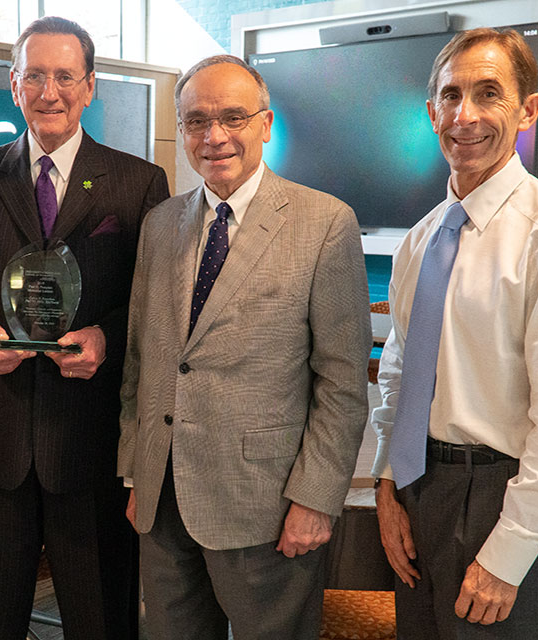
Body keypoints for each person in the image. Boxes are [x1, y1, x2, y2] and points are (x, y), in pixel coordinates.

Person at [371, 28, 538, 639]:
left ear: (528, 110)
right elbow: (401, 368)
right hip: (419, 491)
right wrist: (387, 485)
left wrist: (510, 552)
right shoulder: (421, 237)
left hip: (504, 501)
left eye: (489, 94)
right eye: (451, 96)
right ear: (432, 112)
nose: (466, 116)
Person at [118, 54, 371, 639]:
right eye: (196, 121)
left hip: (269, 506)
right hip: (163, 503)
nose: (215, 136)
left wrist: (316, 497)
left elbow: (340, 381)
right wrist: (135, 472)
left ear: (265, 123)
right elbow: (143, 357)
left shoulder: (325, 223)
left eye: (233, 117)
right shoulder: (160, 224)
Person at [0, 16, 170, 640]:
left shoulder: (139, 182)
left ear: (90, 87)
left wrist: (105, 339)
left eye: (65, 76)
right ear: (14, 86)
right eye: (35, 76)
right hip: (0, 442)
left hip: (92, 445)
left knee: (100, 621)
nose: (50, 91)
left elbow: (153, 306)